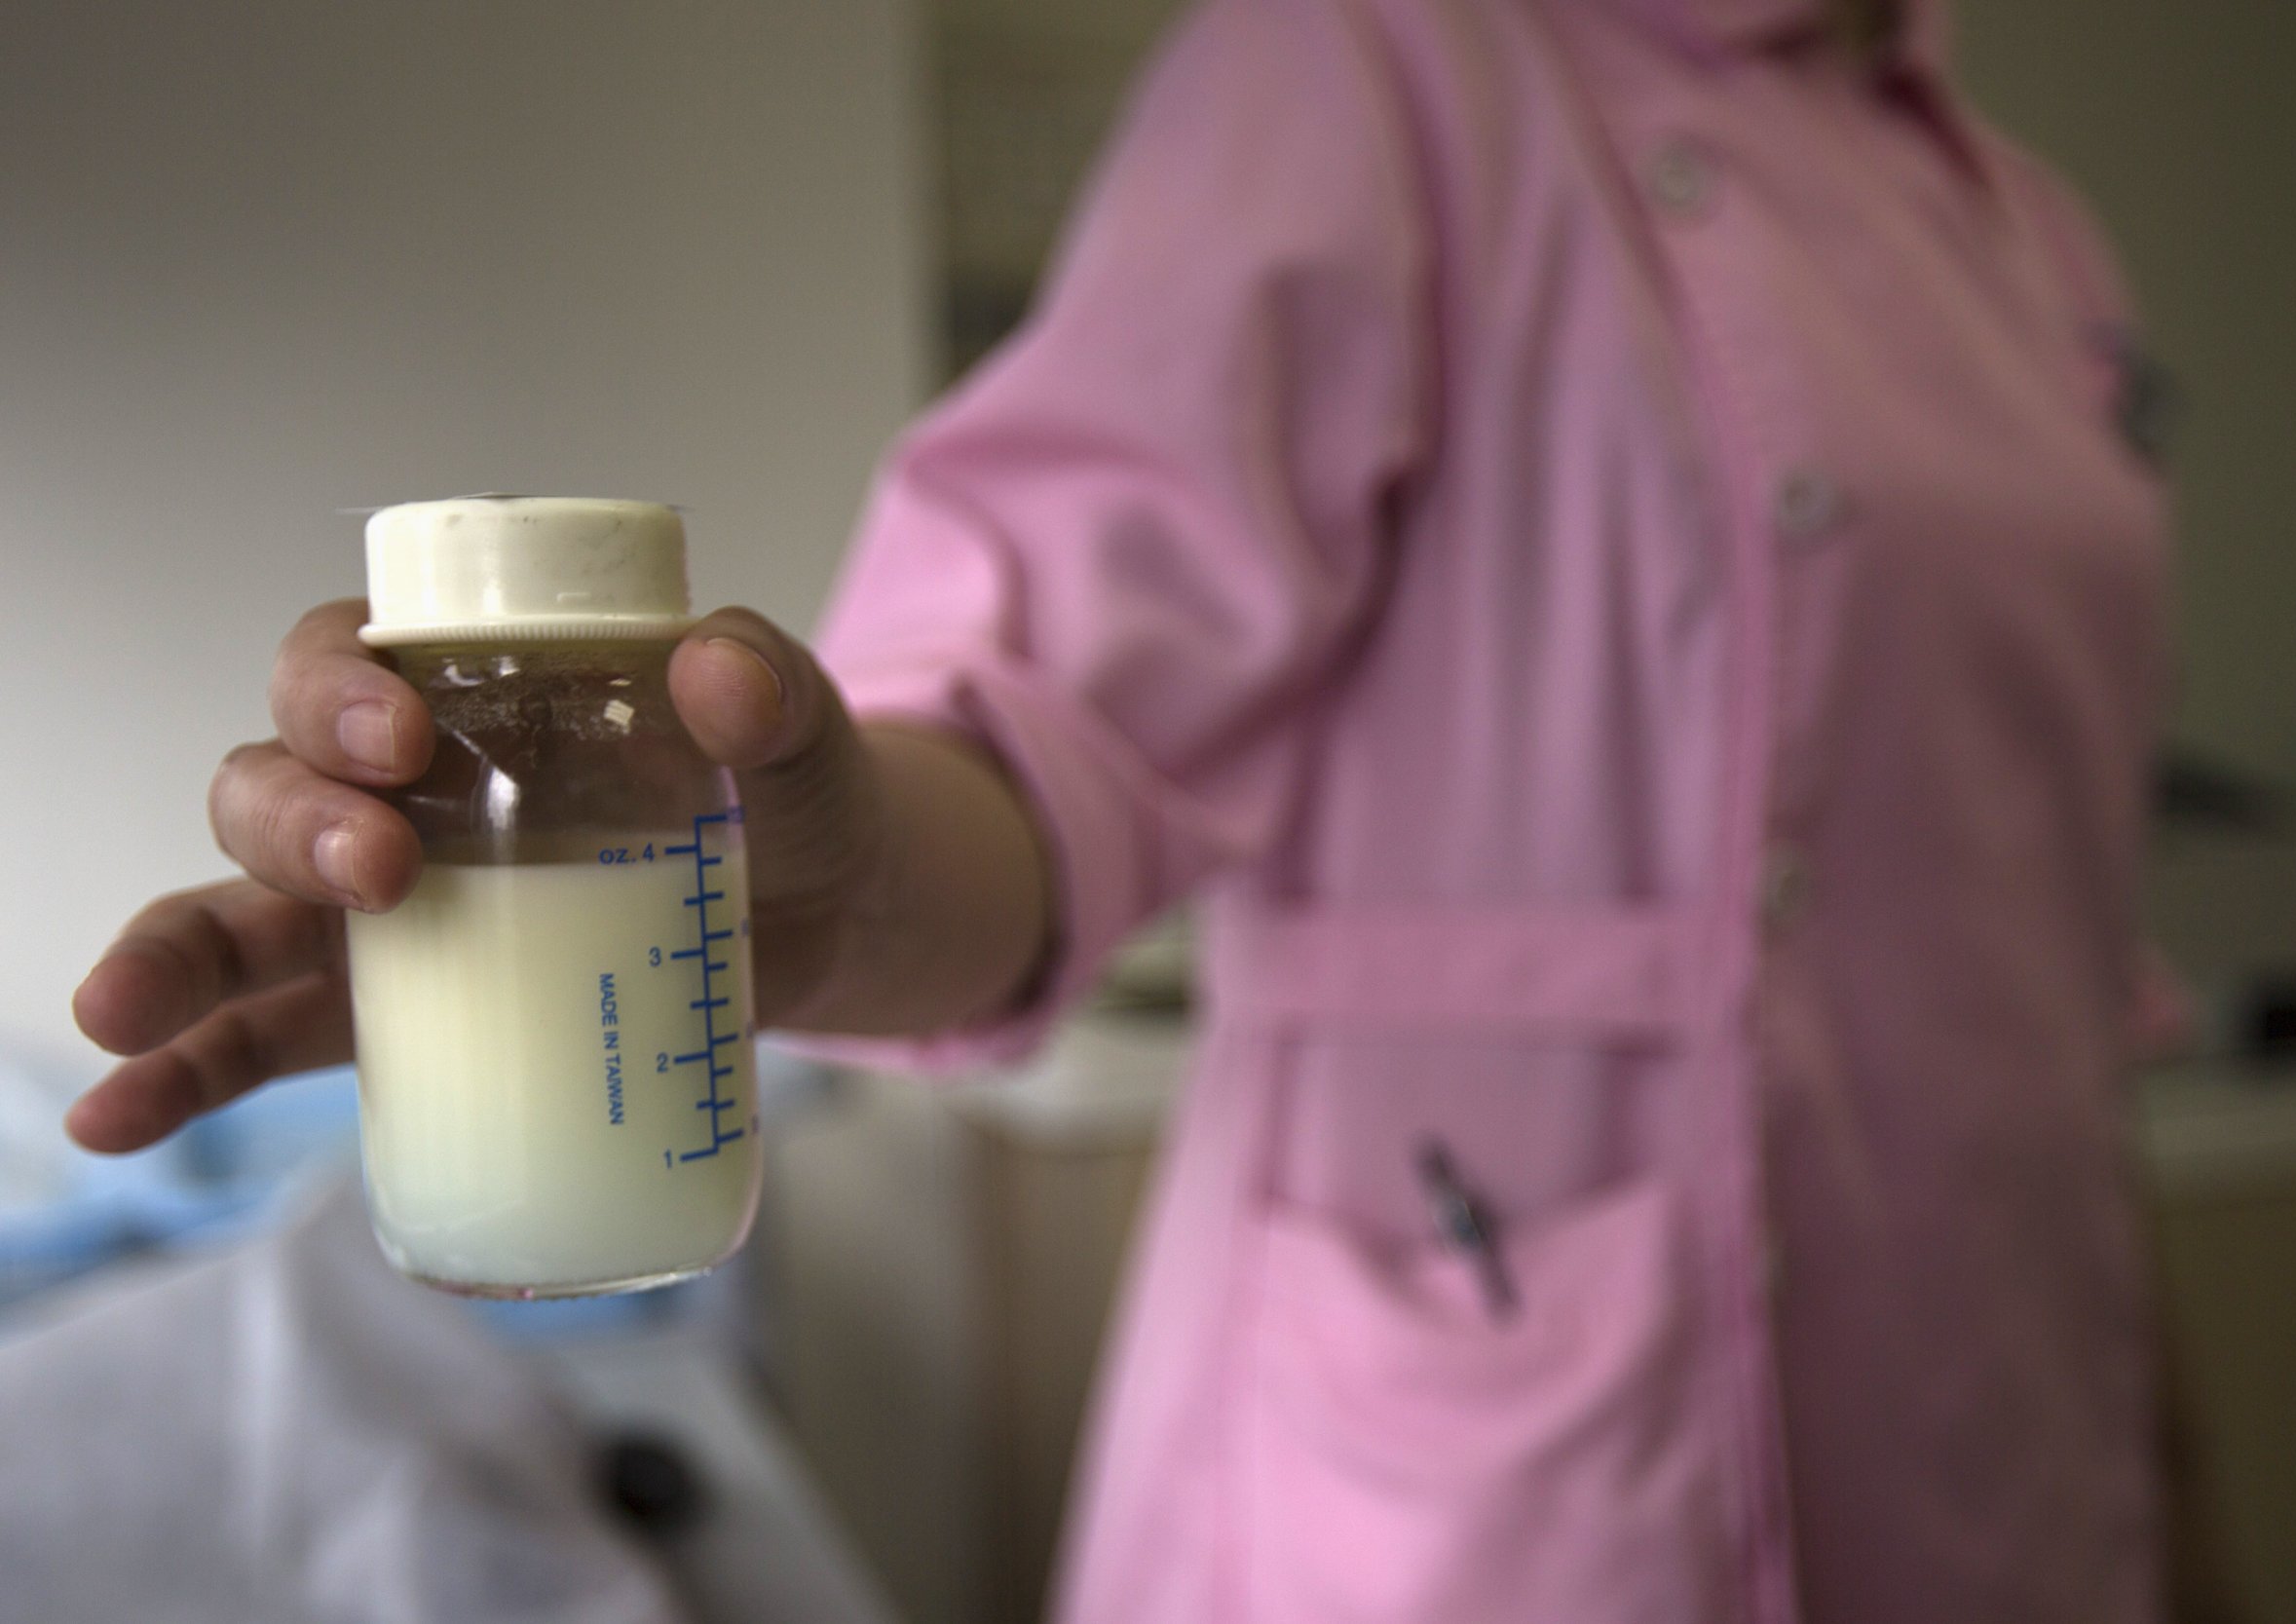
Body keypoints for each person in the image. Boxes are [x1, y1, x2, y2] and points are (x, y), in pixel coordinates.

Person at [69, 0, 2179, 1617]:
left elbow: (2041, 968)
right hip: (1536, 1454)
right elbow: (1030, 719)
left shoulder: (2020, 217)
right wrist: (807, 889)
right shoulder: (1374, 69)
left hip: (2016, 1404)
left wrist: (2173, 1508)